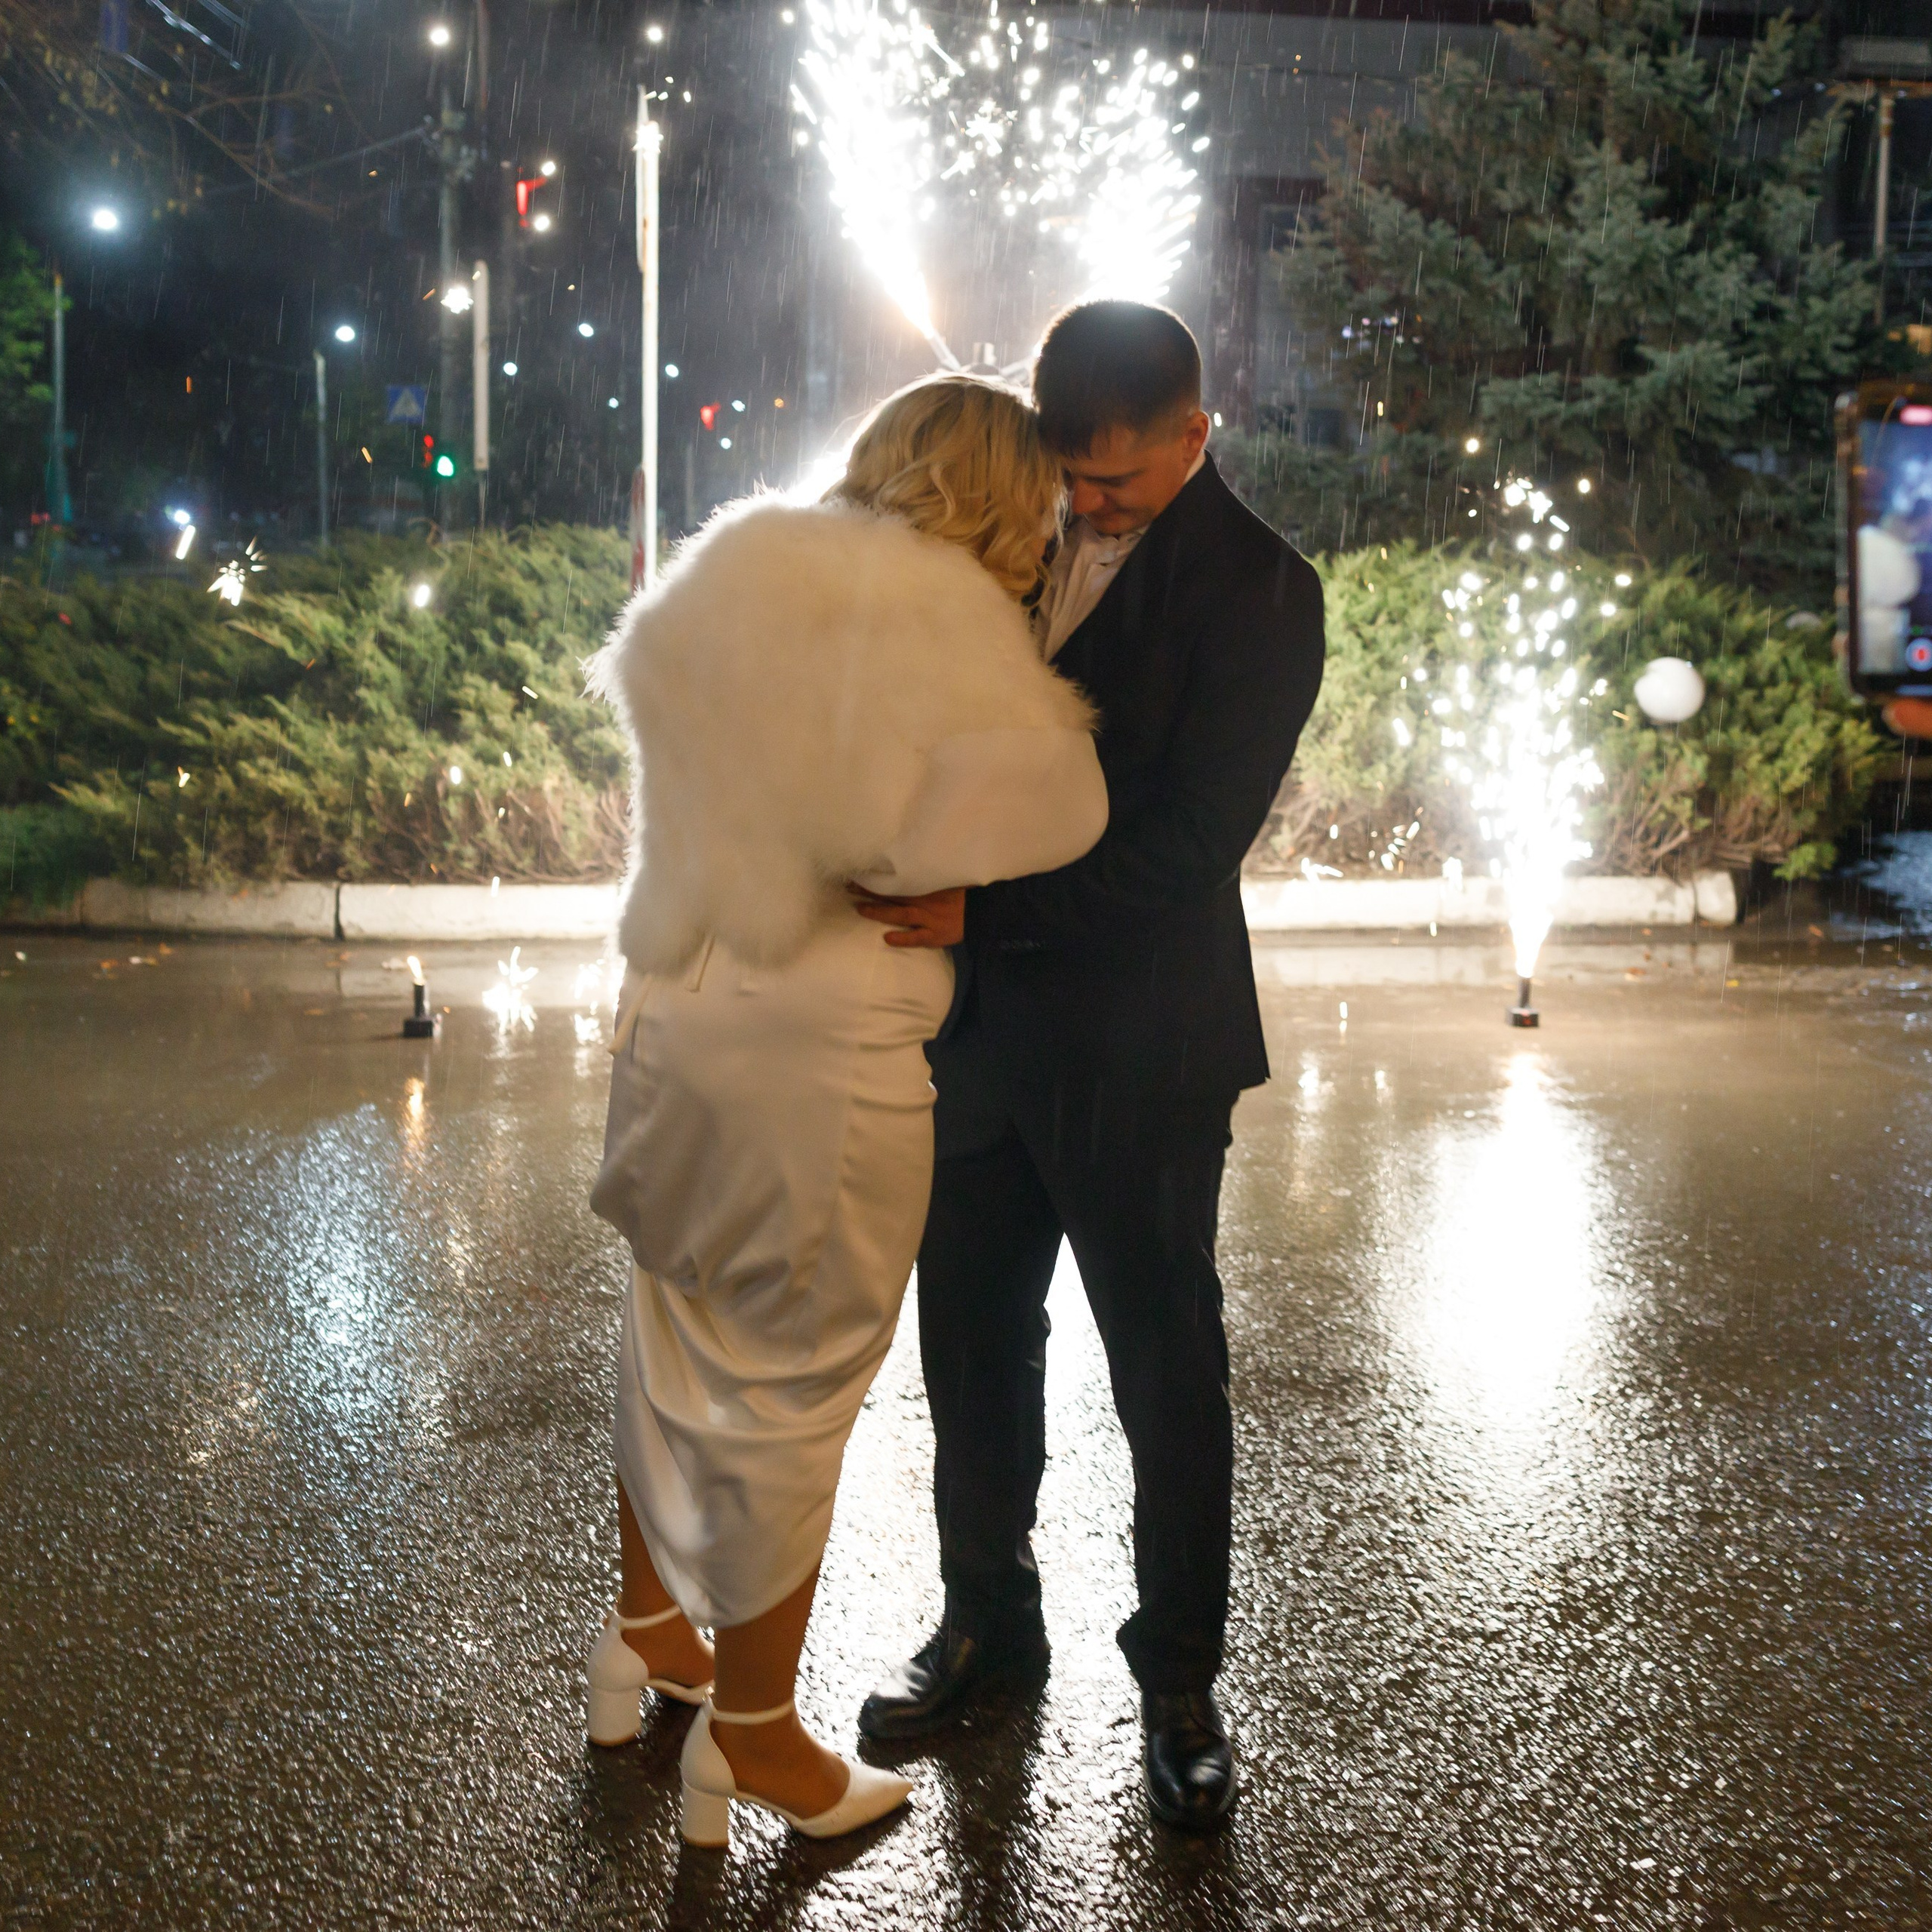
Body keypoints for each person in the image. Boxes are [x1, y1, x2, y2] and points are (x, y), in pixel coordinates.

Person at [580, 374, 1109, 1848]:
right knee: (794, 1384)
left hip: (672, 1004)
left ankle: (646, 1637)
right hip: (815, 1046)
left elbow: (667, 720)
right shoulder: (946, 621)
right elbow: (1056, 808)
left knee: (673, 1319)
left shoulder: (742, 563)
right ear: (1005, 498)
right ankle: (755, 1734)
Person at [854, 302, 1326, 1831]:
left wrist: (984, 903)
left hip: (1141, 1043)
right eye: (1079, 473)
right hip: (975, 1034)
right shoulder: (1005, 531)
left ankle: (1178, 1678)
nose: (1095, 505)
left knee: (1163, 1369)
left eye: (1123, 480)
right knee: (972, 1347)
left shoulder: (1260, 589)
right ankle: (988, 1621)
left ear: (1197, 430)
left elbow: (1187, 847)